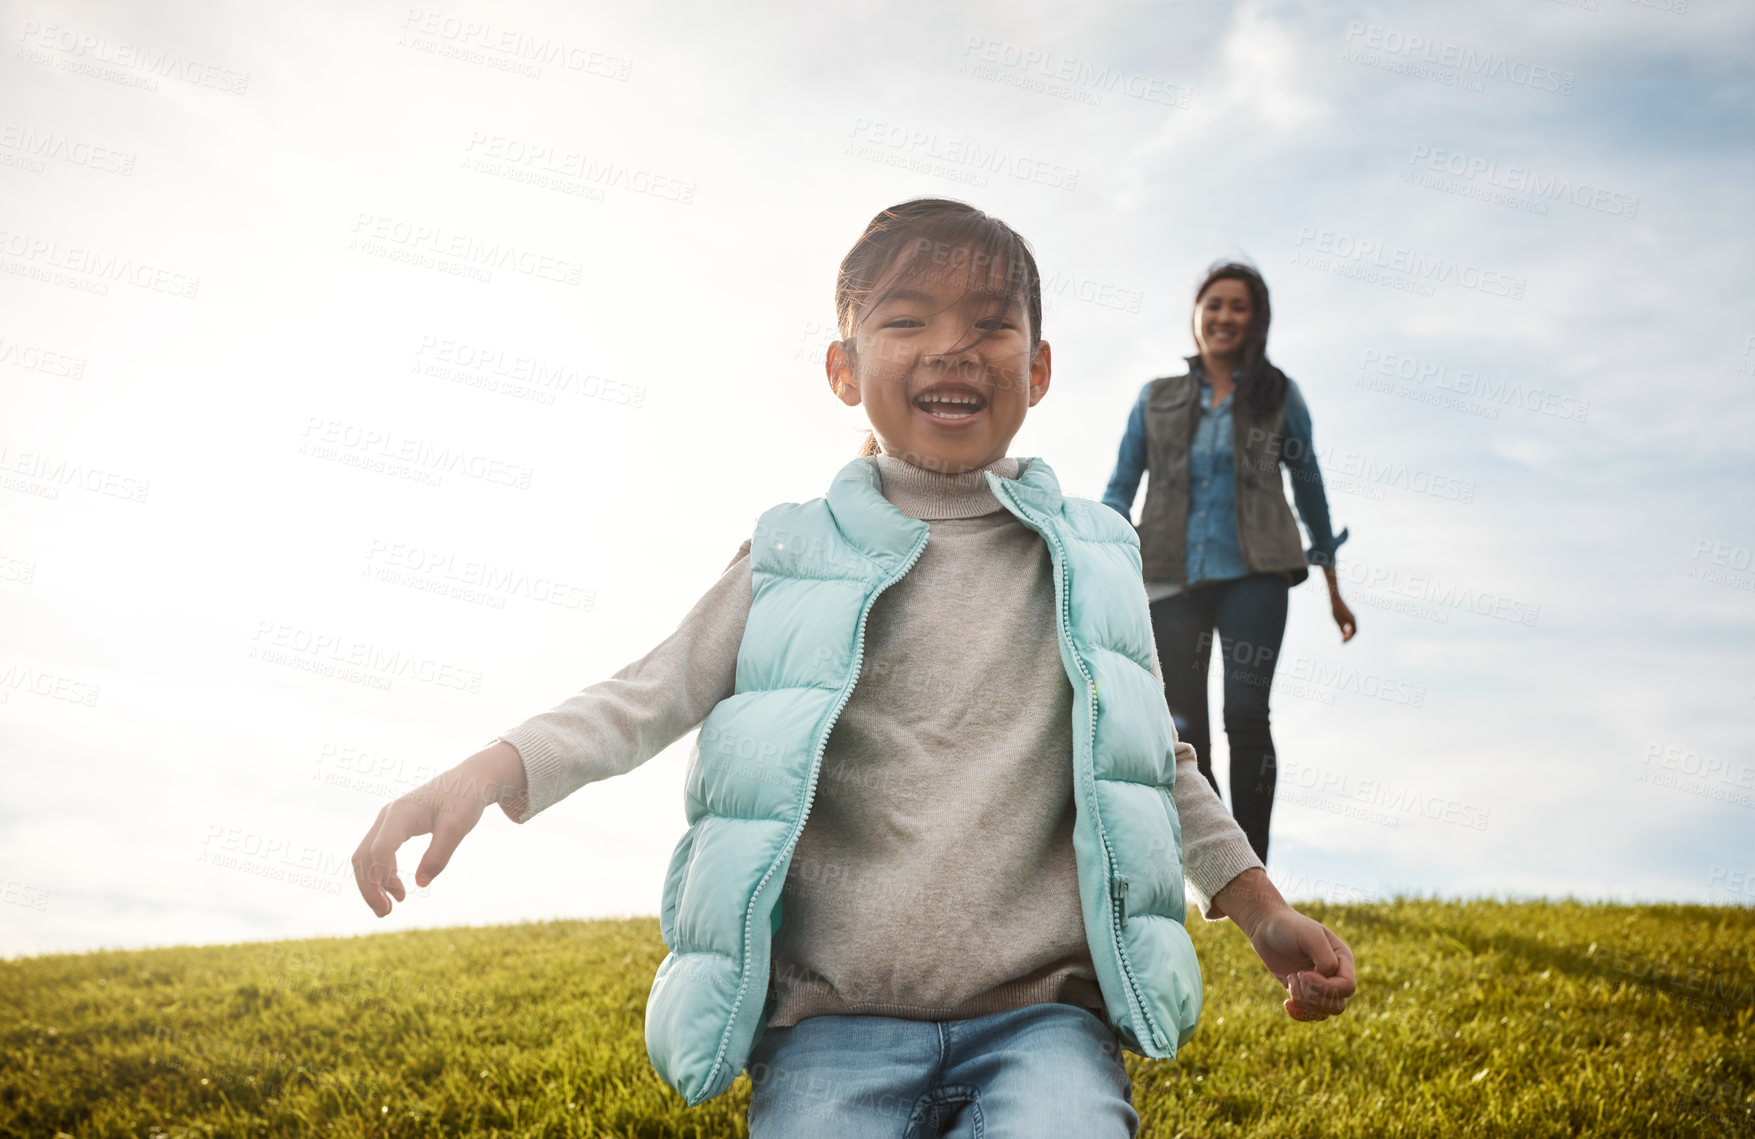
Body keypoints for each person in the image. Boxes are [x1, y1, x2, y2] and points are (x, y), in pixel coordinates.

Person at [352, 202, 1356, 1137]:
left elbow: (1151, 759)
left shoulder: (1088, 556)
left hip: (1043, 1023)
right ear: (844, 367)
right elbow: (648, 694)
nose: (953, 346)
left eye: (990, 324)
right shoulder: (794, 554)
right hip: (831, 1028)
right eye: (908, 320)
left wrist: (1260, 907)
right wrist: (486, 770)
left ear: (1039, 368)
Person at [1102, 262, 1357, 865]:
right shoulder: (1156, 397)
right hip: (1168, 576)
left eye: (1238, 306)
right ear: (1197, 314)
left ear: (1255, 319)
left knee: (1245, 714)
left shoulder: (1278, 396)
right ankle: (1219, 874)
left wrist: (1332, 585)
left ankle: (1257, 870)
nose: (1223, 316)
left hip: (1257, 573)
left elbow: (1310, 488)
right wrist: (1101, 558)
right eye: (1213, 304)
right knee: (1183, 730)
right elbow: (1119, 489)